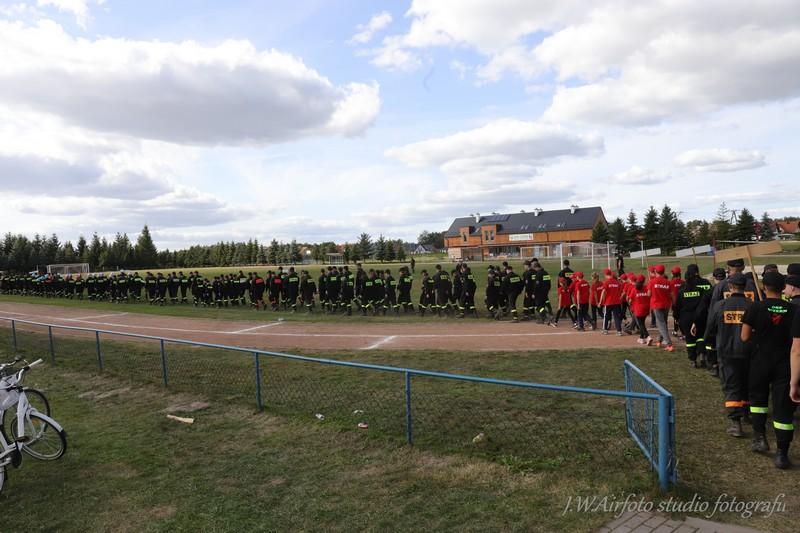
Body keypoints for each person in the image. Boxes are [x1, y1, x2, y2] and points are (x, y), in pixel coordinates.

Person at [742, 271, 796, 469]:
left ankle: (760, 438)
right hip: (785, 363)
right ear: (783, 288)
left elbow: (744, 337)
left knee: (758, 401)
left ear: (764, 288)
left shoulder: (755, 307)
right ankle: (782, 453)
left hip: (760, 360)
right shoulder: (794, 310)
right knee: (782, 407)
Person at [704, 273, 753, 438]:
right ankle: (746, 413)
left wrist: (707, 343)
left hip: (727, 352)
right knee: (746, 383)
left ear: (730, 287)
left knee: (731, 385)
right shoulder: (752, 305)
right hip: (748, 351)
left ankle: (736, 422)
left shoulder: (720, 305)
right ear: (745, 287)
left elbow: (710, 328)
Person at [674, 265, 708, 366]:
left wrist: (676, 317)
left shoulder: (681, 291)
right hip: (699, 317)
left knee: (689, 339)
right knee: (700, 336)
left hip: (686, 318)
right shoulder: (700, 291)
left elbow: (677, 306)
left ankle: (693, 360)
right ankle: (702, 355)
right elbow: (704, 304)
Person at [648, 265, 674, 352]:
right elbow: (672, 295)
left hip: (657, 305)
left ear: (656, 272)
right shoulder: (668, 282)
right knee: (663, 323)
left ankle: (669, 344)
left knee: (661, 324)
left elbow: (649, 294)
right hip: (666, 305)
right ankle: (659, 340)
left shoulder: (652, 281)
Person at [599, 268, 623, 335]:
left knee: (606, 316)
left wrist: (601, 301)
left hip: (608, 302)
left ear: (605, 274)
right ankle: (619, 331)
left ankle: (605, 329)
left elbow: (603, 292)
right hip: (616, 302)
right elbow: (621, 292)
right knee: (616, 317)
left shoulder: (606, 282)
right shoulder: (617, 282)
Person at [631, 275, 652, 345]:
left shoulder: (634, 289)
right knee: (642, 323)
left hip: (638, 309)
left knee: (640, 324)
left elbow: (630, 299)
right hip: (646, 308)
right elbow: (650, 295)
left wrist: (631, 304)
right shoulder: (647, 288)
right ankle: (641, 338)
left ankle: (648, 336)